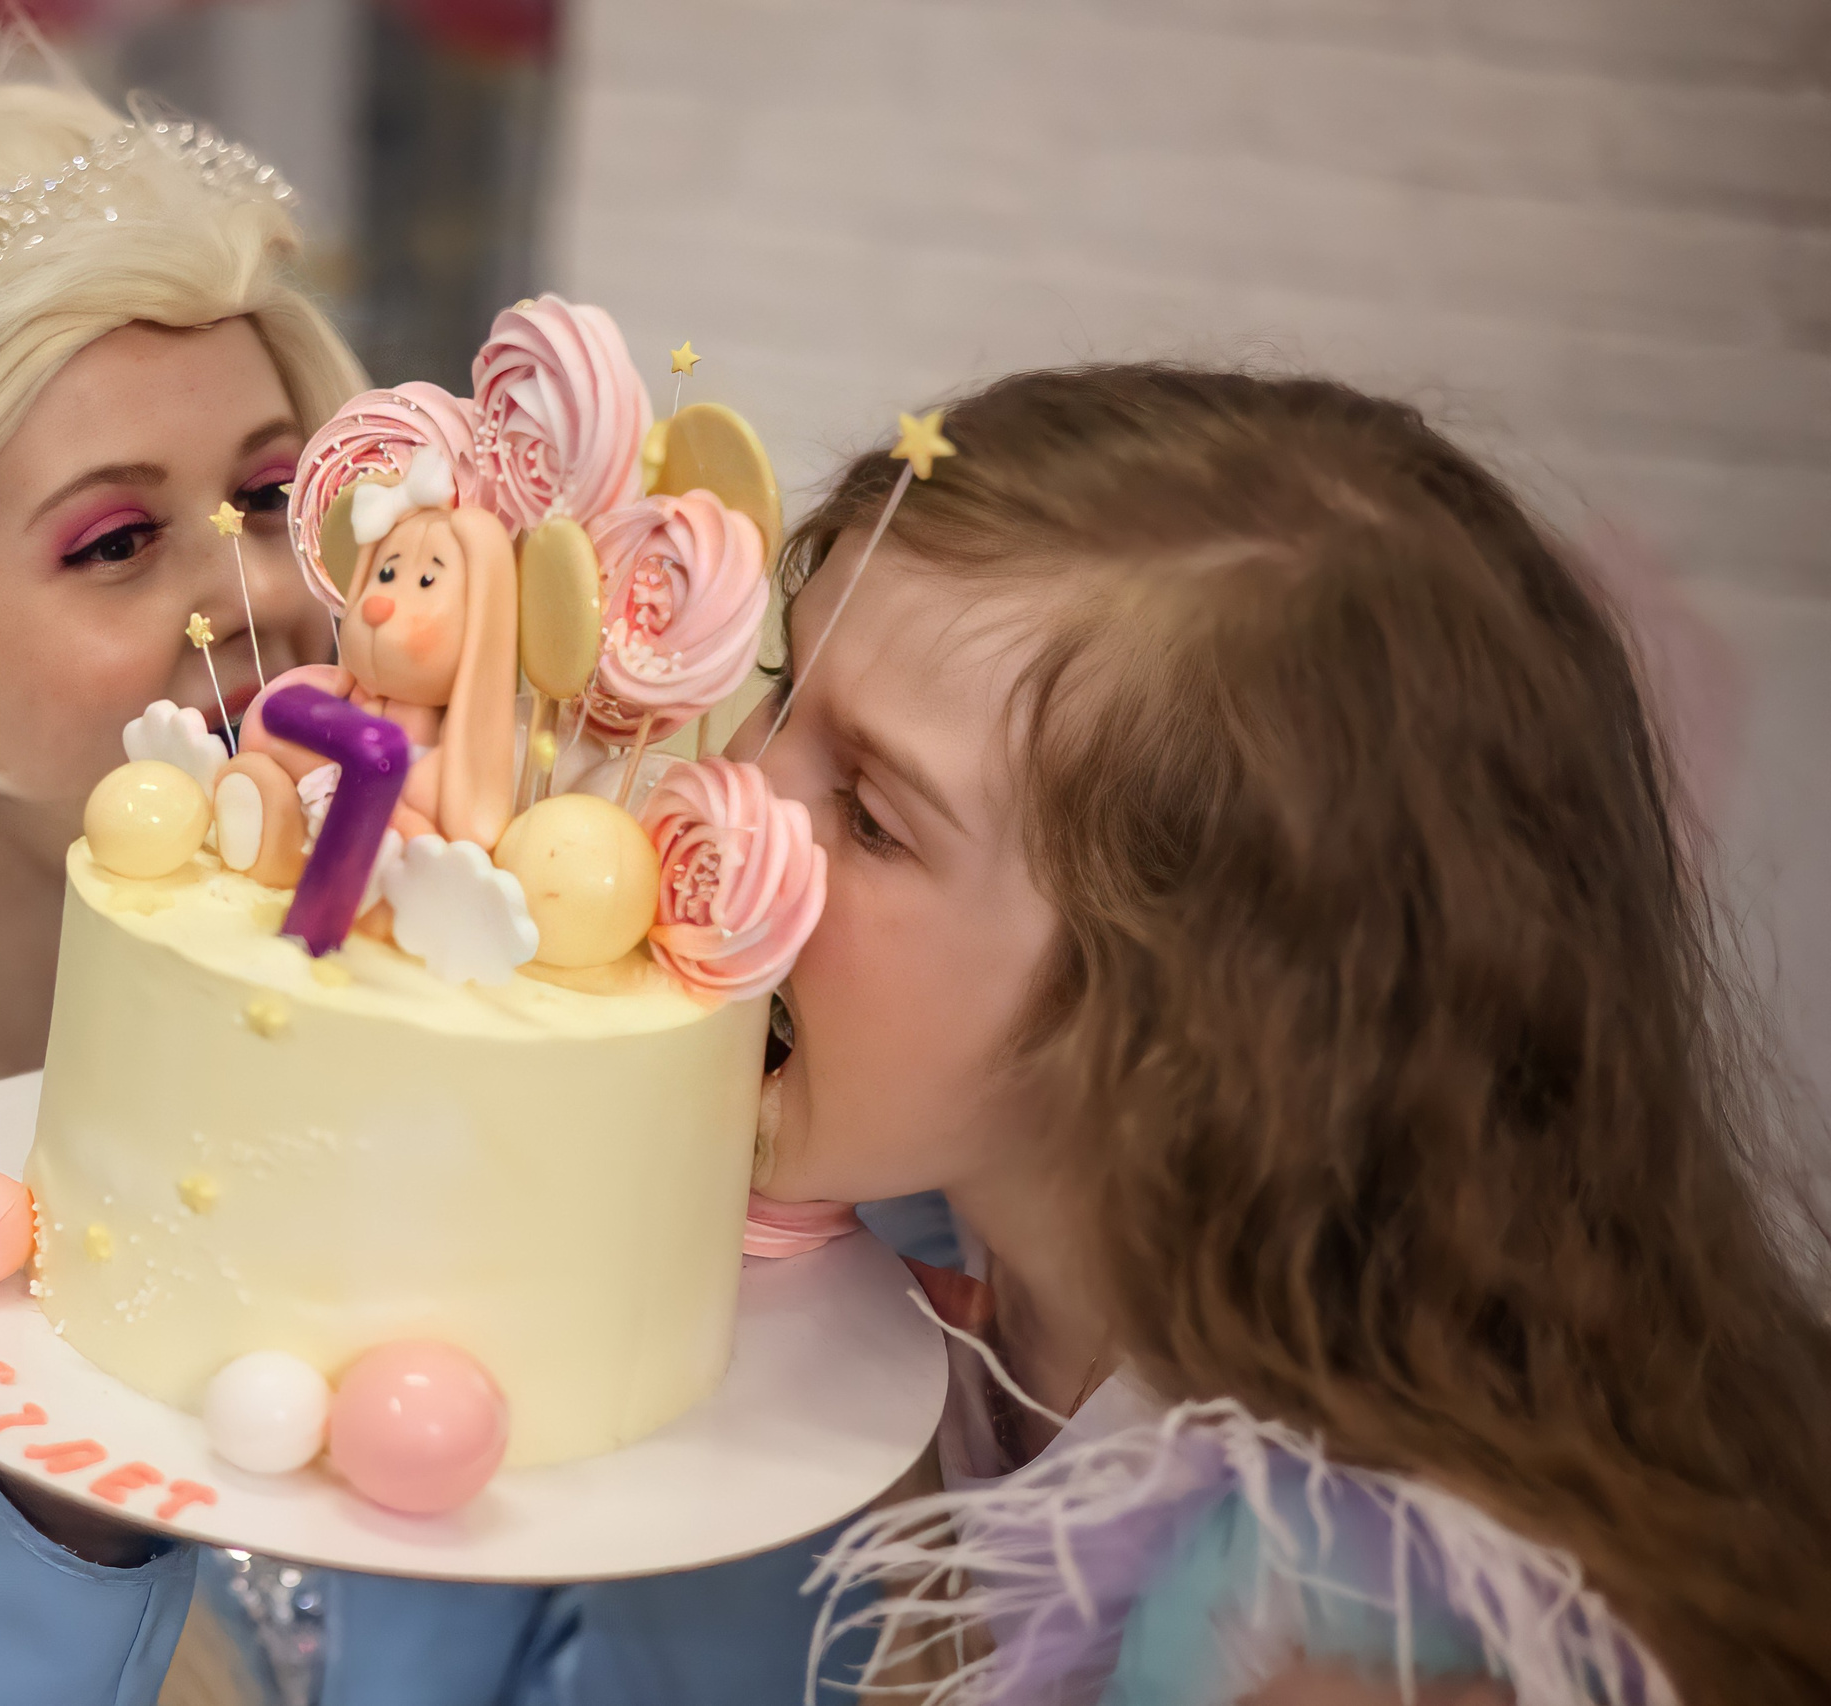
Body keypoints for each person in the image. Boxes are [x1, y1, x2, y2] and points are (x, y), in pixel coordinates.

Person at [0, 67, 902, 1706]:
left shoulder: (507, 1067)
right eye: (112, 541)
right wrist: (54, 1512)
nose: (274, 595)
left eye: (277, 497)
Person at [736, 366, 1831, 1704]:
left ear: (1172, 1027)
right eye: (785, 686)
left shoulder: (1335, 1637)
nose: (725, 790)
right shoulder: (952, 1244)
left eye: (869, 812)